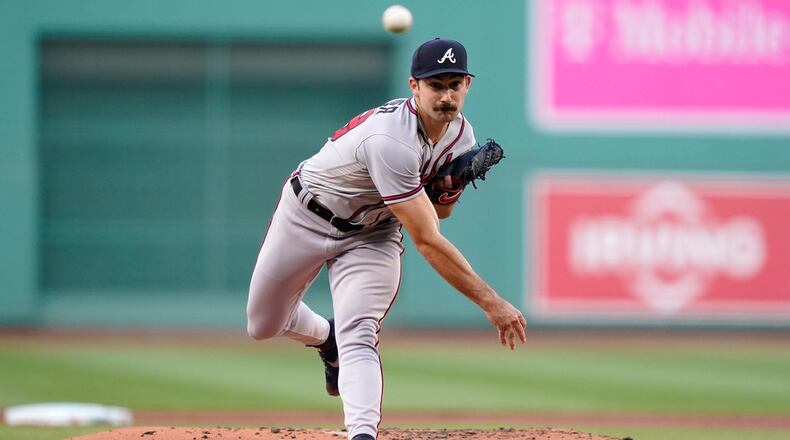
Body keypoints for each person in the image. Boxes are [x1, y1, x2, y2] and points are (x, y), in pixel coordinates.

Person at [246, 38, 527, 440]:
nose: (446, 94)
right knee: (263, 324)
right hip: (306, 215)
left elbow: (438, 212)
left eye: (454, 83)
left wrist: (446, 191)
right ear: (414, 87)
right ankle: (328, 338)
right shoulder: (390, 139)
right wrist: (491, 301)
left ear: (468, 85)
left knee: (359, 330)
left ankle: (362, 433)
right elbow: (427, 240)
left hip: (373, 233)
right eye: (435, 84)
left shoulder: (461, 136)